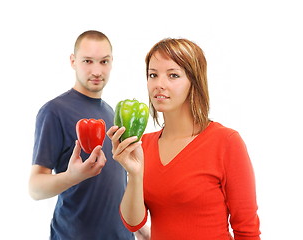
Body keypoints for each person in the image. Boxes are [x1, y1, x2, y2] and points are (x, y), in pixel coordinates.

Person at [107, 38, 261, 240]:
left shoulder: (226, 142)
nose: (159, 84)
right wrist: (134, 173)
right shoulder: (143, 145)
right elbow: (133, 222)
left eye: (173, 75)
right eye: (153, 75)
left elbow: (247, 231)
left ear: (194, 82)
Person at [28, 30, 135, 240]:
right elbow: (35, 188)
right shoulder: (54, 111)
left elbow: (117, 183)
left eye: (103, 62)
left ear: (111, 62)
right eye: (88, 61)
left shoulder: (111, 113)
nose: (96, 70)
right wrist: (71, 177)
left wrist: (136, 227)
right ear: (73, 61)